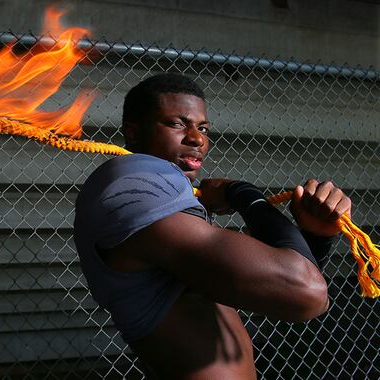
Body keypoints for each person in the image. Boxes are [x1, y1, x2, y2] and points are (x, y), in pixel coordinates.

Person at [73, 73, 351, 379]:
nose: (197, 138)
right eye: (177, 123)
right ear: (134, 132)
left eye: (203, 128)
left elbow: (279, 288)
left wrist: (315, 235)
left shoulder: (165, 198)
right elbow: (304, 292)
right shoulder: (133, 185)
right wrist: (243, 194)